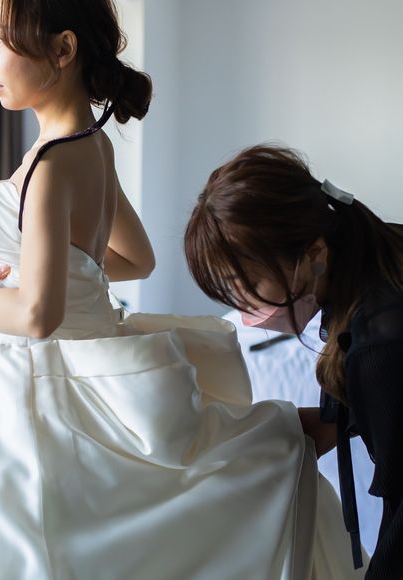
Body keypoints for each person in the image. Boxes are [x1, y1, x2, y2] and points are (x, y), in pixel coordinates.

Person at [0, 2, 362, 578]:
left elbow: (38, 316)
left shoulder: (50, 164)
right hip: (82, 360)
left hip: (30, 372)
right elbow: (136, 259)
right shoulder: (93, 144)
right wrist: (56, 268)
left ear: (63, 49)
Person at [185, 144, 403, 580]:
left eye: (249, 282)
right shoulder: (377, 254)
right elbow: (356, 416)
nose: (243, 305)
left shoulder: (376, 344)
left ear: (314, 255)